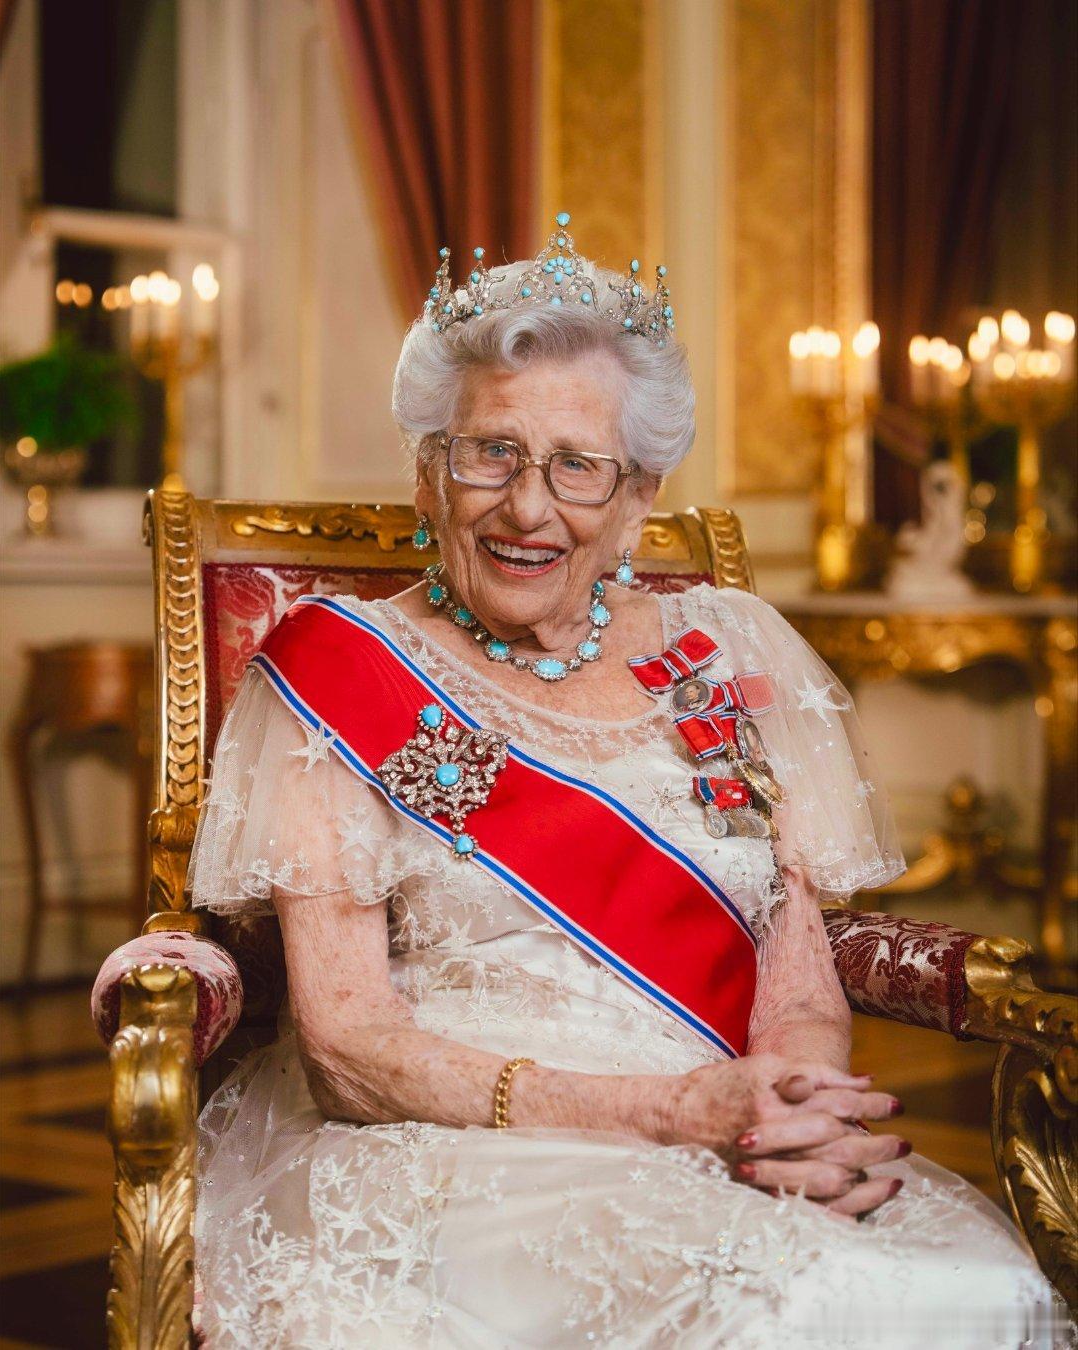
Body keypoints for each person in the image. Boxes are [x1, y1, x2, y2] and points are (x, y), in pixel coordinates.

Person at [187, 215, 1061, 1347]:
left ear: (638, 497)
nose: (528, 506)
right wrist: (670, 1113)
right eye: (490, 452)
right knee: (785, 1309)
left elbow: (797, 979)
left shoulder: (726, 654)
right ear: (429, 471)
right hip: (466, 1151)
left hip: (730, 1127)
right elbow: (348, 1050)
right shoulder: (334, 672)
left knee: (965, 1293)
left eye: (577, 466)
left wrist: (789, 1114)